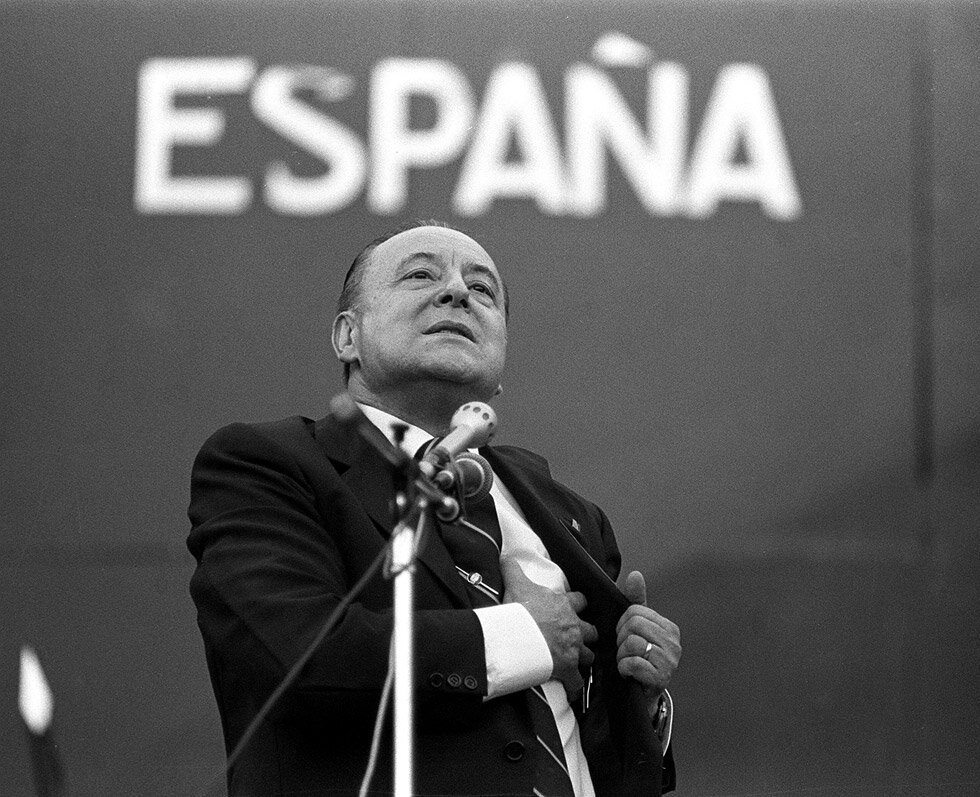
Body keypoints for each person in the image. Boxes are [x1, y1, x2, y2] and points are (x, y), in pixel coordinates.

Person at [187, 221, 680, 796]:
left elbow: (591, 748)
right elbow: (299, 662)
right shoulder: (269, 465)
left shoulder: (570, 514)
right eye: (421, 275)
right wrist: (520, 638)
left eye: (484, 289)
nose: (457, 293)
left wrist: (638, 699)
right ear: (348, 337)